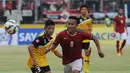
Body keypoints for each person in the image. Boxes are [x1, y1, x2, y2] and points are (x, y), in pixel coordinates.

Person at [77, 4, 92, 73]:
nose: (84, 10)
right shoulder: (77, 19)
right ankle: (79, 68)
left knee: (87, 53)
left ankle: (86, 69)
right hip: (79, 39)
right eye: (83, 9)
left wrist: (89, 29)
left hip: (86, 39)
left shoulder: (89, 19)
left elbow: (90, 28)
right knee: (78, 54)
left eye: (85, 9)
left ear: (87, 11)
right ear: (80, 11)